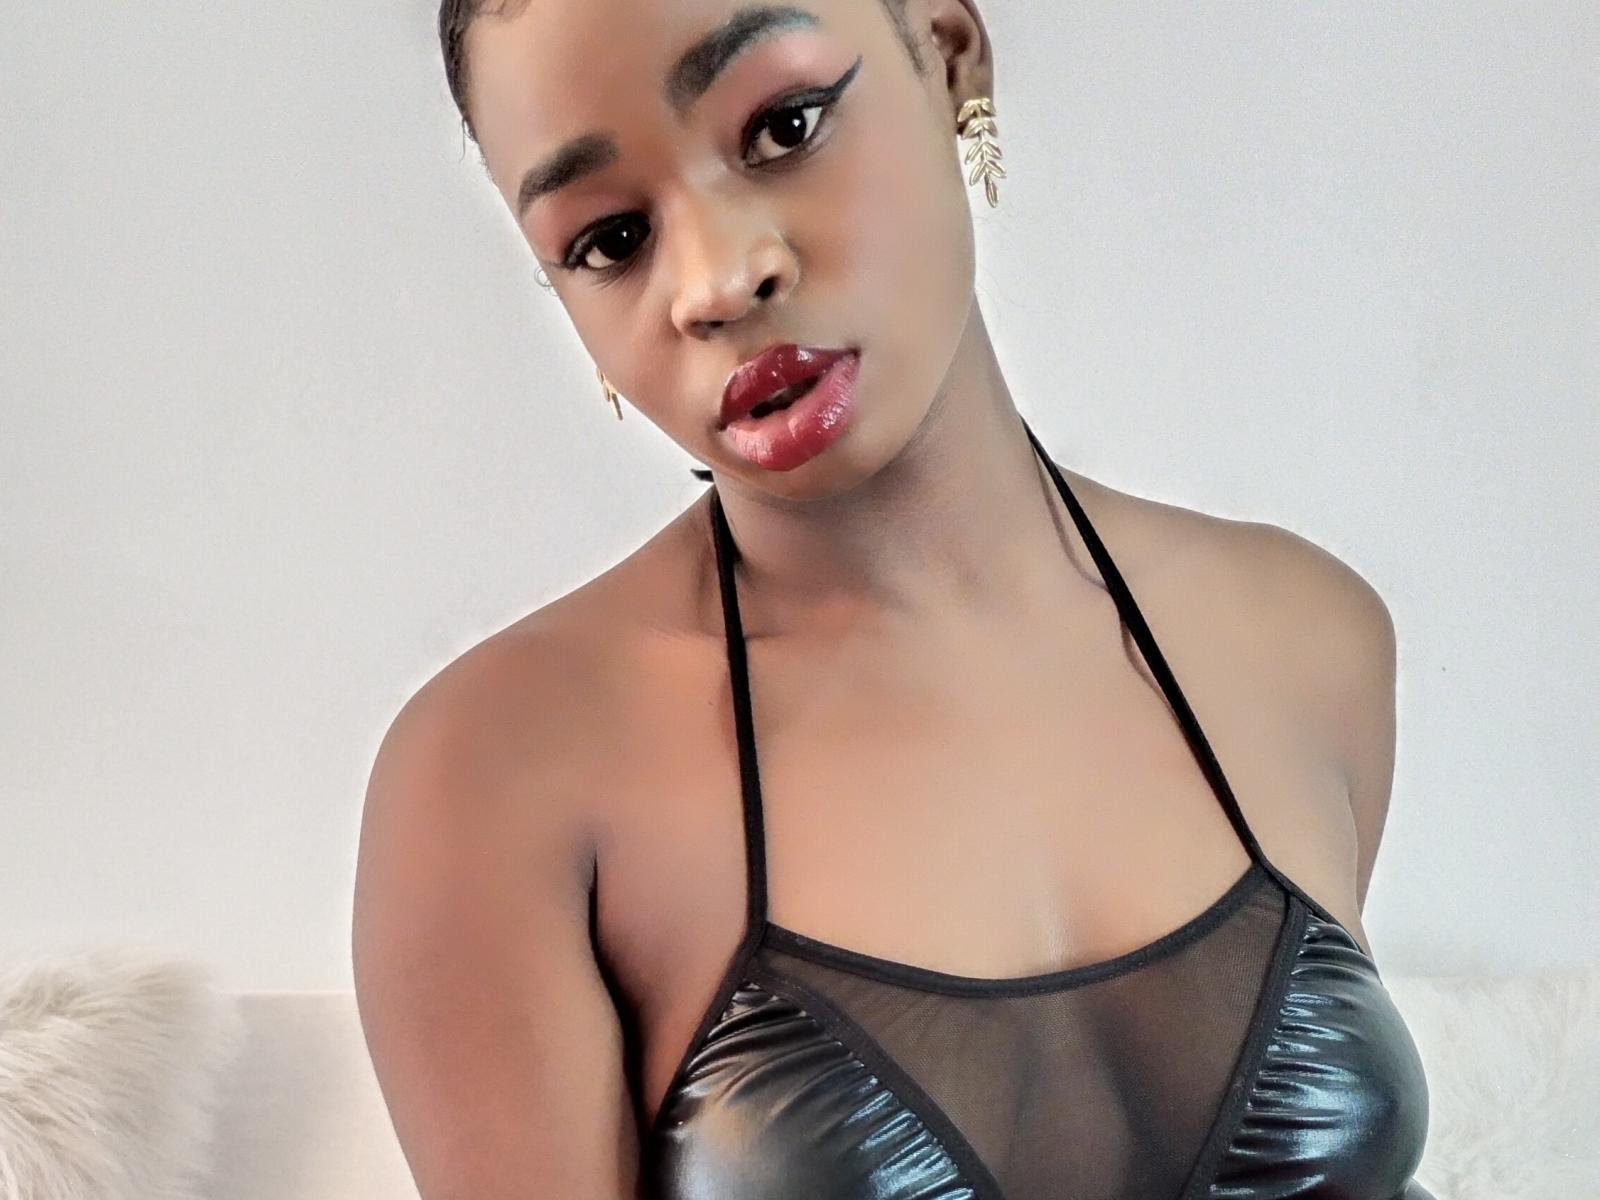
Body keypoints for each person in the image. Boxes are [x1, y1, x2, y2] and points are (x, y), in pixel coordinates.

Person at [351, 2, 1435, 1197]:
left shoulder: (1303, 637)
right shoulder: (499, 778)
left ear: (949, 52)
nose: (718, 280)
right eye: (610, 239)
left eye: (784, 126)